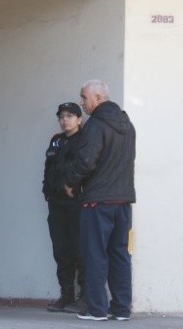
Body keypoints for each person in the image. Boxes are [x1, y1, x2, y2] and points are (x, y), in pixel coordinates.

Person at [63, 79, 136, 321]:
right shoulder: (128, 124)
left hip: (98, 202)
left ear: (98, 98)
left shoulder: (95, 125)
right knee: (120, 254)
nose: (82, 102)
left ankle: (96, 309)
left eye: (84, 97)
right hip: (123, 202)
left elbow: (86, 161)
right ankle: (122, 309)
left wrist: (71, 182)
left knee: (95, 254)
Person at [42, 102, 87, 313]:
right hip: (56, 203)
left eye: (70, 115)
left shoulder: (86, 140)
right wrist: (47, 192)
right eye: (61, 116)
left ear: (79, 119)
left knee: (81, 250)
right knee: (61, 251)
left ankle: (85, 297)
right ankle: (66, 295)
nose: (64, 119)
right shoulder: (56, 141)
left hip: (77, 203)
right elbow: (48, 169)